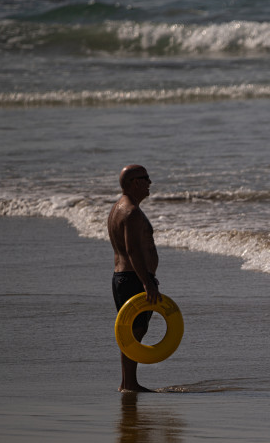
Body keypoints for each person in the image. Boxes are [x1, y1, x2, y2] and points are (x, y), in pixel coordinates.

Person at [108, 164, 163, 392]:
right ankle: (129, 383)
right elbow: (133, 251)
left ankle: (127, 382)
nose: (150, 182)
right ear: (134, 182)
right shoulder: (131, 212)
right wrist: (147, 282)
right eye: (146, 178)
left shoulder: (118, 208)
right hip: (132, 279)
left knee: (130, 331)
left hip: (123, 277)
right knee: (135, 332)